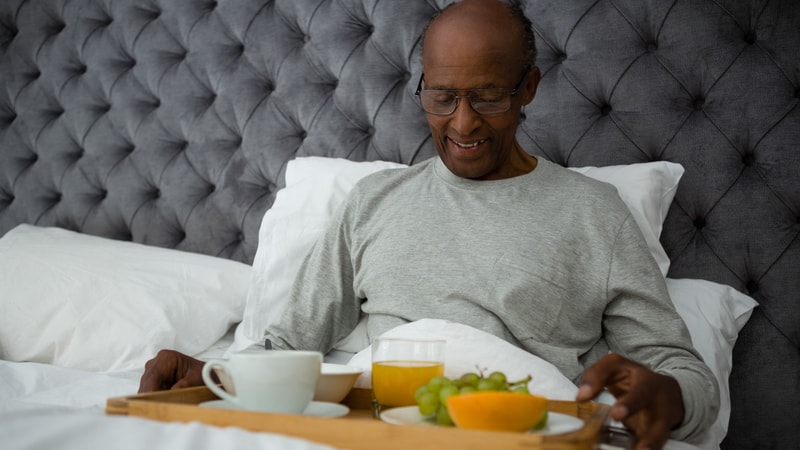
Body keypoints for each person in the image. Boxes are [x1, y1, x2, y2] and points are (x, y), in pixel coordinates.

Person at [139, 1, 719, 448]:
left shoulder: (594, 214)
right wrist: (214, 374)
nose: (462, 124)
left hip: (507, 430)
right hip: (372, 428)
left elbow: (682, 372)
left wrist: (669, 397)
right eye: (442, 97)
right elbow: (290, 345)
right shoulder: (374, 201)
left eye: (489, 97)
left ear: (529, 89)